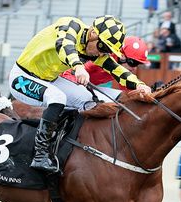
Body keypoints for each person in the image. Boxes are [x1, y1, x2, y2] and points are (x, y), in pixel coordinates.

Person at [10, 15, 150, 172]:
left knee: (88, 99)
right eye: (103, 48)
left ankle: (76, 146)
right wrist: (78, 67)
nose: (103, 54)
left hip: (50, 79)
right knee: (58, 98)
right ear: (92, 34)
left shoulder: (95, 50)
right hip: (22, 77)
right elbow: (64, 46)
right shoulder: (70, 25)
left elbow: (116, 69)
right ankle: (40, 154)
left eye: (109, 51)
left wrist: (139, 85)